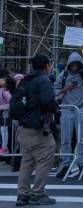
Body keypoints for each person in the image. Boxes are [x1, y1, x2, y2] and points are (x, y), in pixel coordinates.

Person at [13, 54, 58, 206]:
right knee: (46, 157)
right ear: (46, 65)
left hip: (24, 126)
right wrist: (54, 107)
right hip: (38, 126)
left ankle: (22, 193)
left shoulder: (25, 79)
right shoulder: (43, 80)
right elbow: (47, 101)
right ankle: (38, 193)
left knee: (27, 160)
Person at [54, 44, 83, 178]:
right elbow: (54, 91)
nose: (74, 67)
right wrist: (65, 89)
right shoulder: (63, 75)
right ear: (69, 64)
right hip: (67, 109)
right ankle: (65, 163)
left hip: (82, 109)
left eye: (76, 64)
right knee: (66, 139)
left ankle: (82, 163)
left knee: (81, 139)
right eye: (72, 65)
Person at [0, 69, 15, 154]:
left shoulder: (5, 92)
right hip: (2, 113)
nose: (0, 80)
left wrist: (1, 107)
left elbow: (11, 103)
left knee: (3, 130)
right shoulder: (1, 90)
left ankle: (4, 147)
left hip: (5, 114)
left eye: (3, 80)